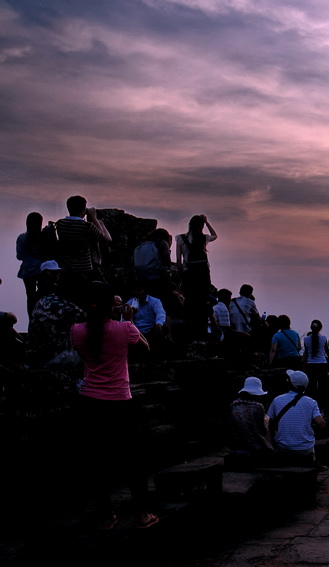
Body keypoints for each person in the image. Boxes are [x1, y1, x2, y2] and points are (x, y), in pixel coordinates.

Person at [71, 281, 158, 530]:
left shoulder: (77, 330)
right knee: (134, 460)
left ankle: (105, 515)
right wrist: (128, 319)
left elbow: (86, 352)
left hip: (89, 401)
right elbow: (145, 346)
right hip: (120, 401)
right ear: (112, 306)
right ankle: (142, 514)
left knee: (98, 461)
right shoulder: (124, 329)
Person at [267, 370, 326, 466]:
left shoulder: (277, 400)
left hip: (283, 447)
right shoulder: (311, 402)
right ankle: (315, 462)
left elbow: (269, 422)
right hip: (305, 448)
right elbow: (321, 424)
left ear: (289, 383)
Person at [55, 196, 112, 295]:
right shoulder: (87, 226)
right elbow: (102, 236)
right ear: (83, 210)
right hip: (84, 268)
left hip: (66, 267)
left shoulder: (60, 224)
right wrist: (94, 217)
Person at [175, 214, 217, 340]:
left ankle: (189, 330)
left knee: (189, 301)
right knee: (202, 301)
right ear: (202, 226)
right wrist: (207, 222)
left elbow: (178, 259)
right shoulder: (203, 238)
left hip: (189, 273)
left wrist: (180, 274)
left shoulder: (181, 238)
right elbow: (215, 235)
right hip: (203, 274)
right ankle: (202, 330)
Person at [228, 376, 275, 465]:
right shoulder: (258, 407)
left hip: (238, 443)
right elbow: (262, 429)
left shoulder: (234, 405)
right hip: (256, 445)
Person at [16, 211, 47, 319]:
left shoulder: (22, 238)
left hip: (27, 271)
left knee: (30, 297)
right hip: (41, 270)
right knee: (41, 295)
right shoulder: (43, 237)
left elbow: (19, 256)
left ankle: (31, 320)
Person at [303, 320, 329, 411]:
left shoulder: (306, 339)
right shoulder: (323, 338)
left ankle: (311, 406)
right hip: (322, 364)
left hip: (311, 365)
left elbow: (306, 353)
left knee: (311, 387)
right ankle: (325, 406)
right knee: (324, 387)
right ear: (320, 328)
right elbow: (327, 351)